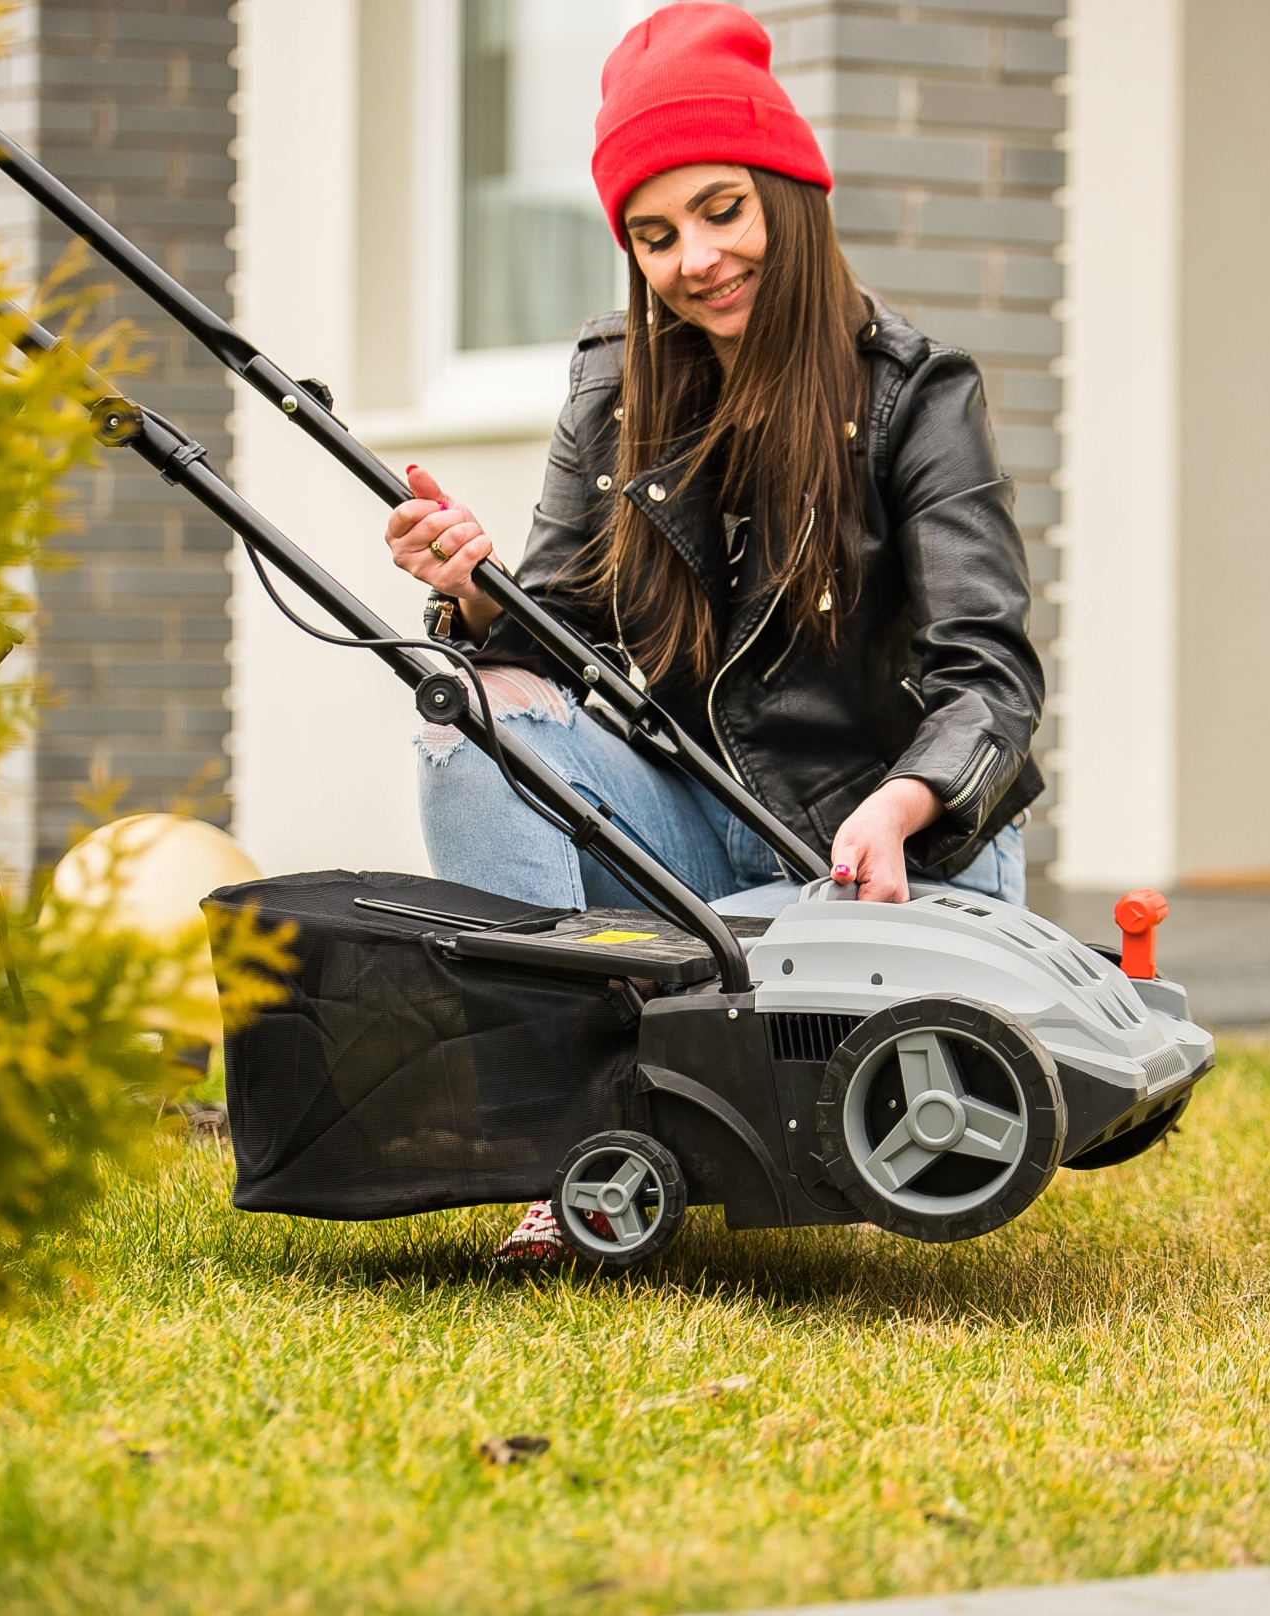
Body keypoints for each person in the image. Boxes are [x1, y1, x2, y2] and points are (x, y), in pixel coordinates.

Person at [383, 2, 1044, 1265]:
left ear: (788, 193)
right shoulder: (613, 389)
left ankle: (661, 1063)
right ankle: (560, 1147)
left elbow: (991, 677)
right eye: (655, 232)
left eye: (720, 208)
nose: (694, 257)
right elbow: (553, 639)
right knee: (469, 717)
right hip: (697, 821)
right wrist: (472, 593)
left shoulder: (918, 394)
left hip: (894, 844)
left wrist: (905, 800)